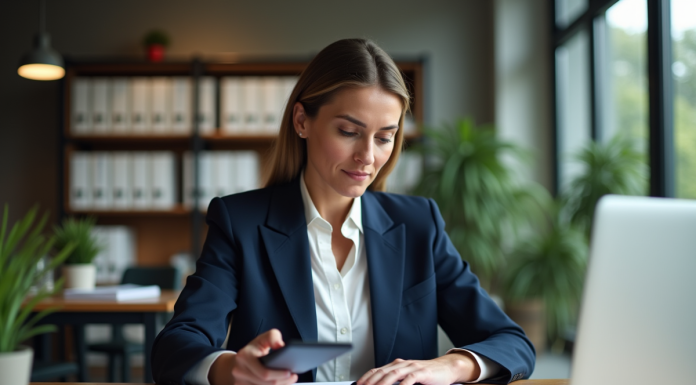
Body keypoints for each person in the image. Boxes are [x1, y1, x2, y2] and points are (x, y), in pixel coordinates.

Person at [151, 38, 535, 385]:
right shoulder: (241, 223)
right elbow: (176, 344)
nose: (368, 157)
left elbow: (512, 343)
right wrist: (231, 369)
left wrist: (449, 365)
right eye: (349, 132)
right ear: (302, 121)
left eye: (385, 137)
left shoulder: (419, 225)